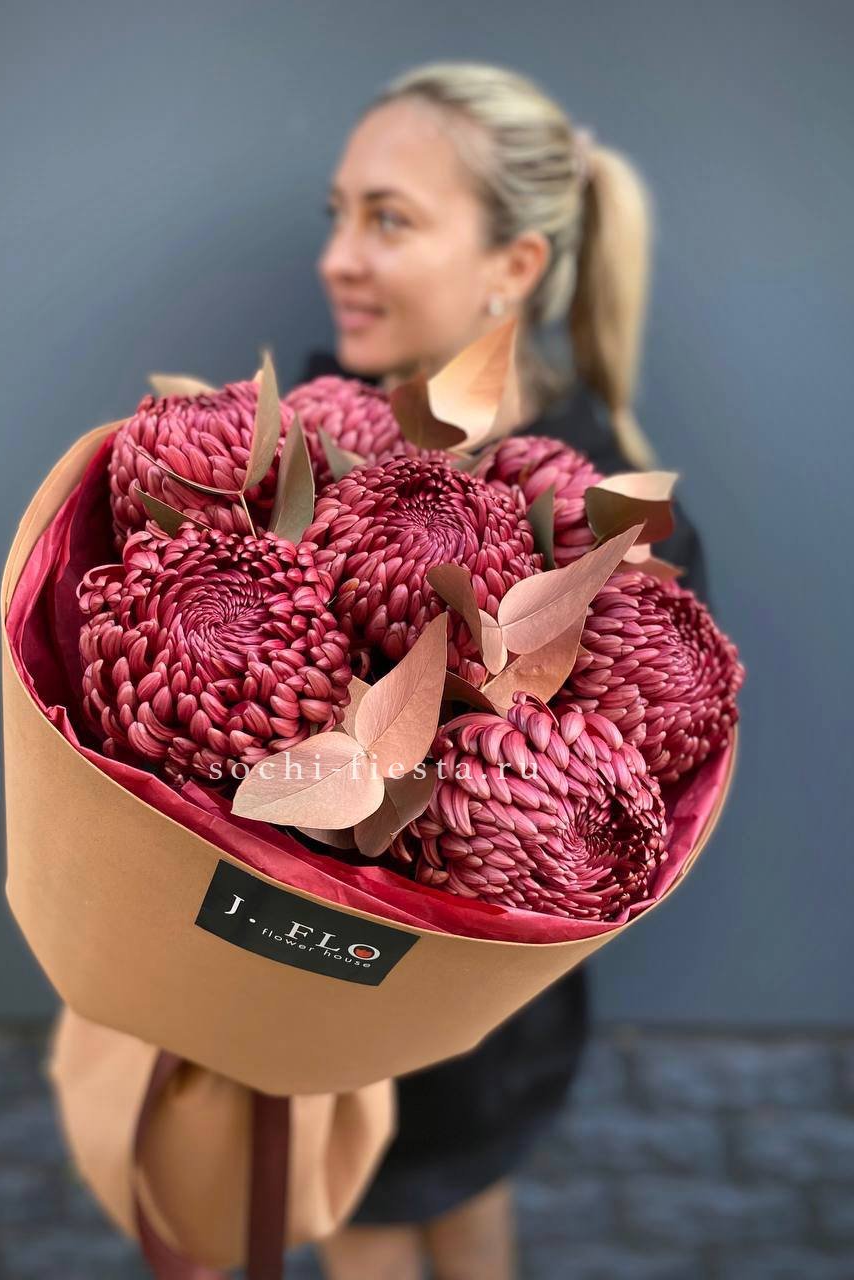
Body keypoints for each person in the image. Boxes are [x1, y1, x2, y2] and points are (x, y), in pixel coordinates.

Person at [303, 62, 709, 1280]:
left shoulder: (610, 522)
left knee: (430, 1211)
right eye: (338, 214)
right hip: (314, 972)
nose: (338, 258)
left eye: (389, 220)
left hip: (475, 1009)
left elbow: (631, 792)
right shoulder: (307, 442)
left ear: (515, 264)